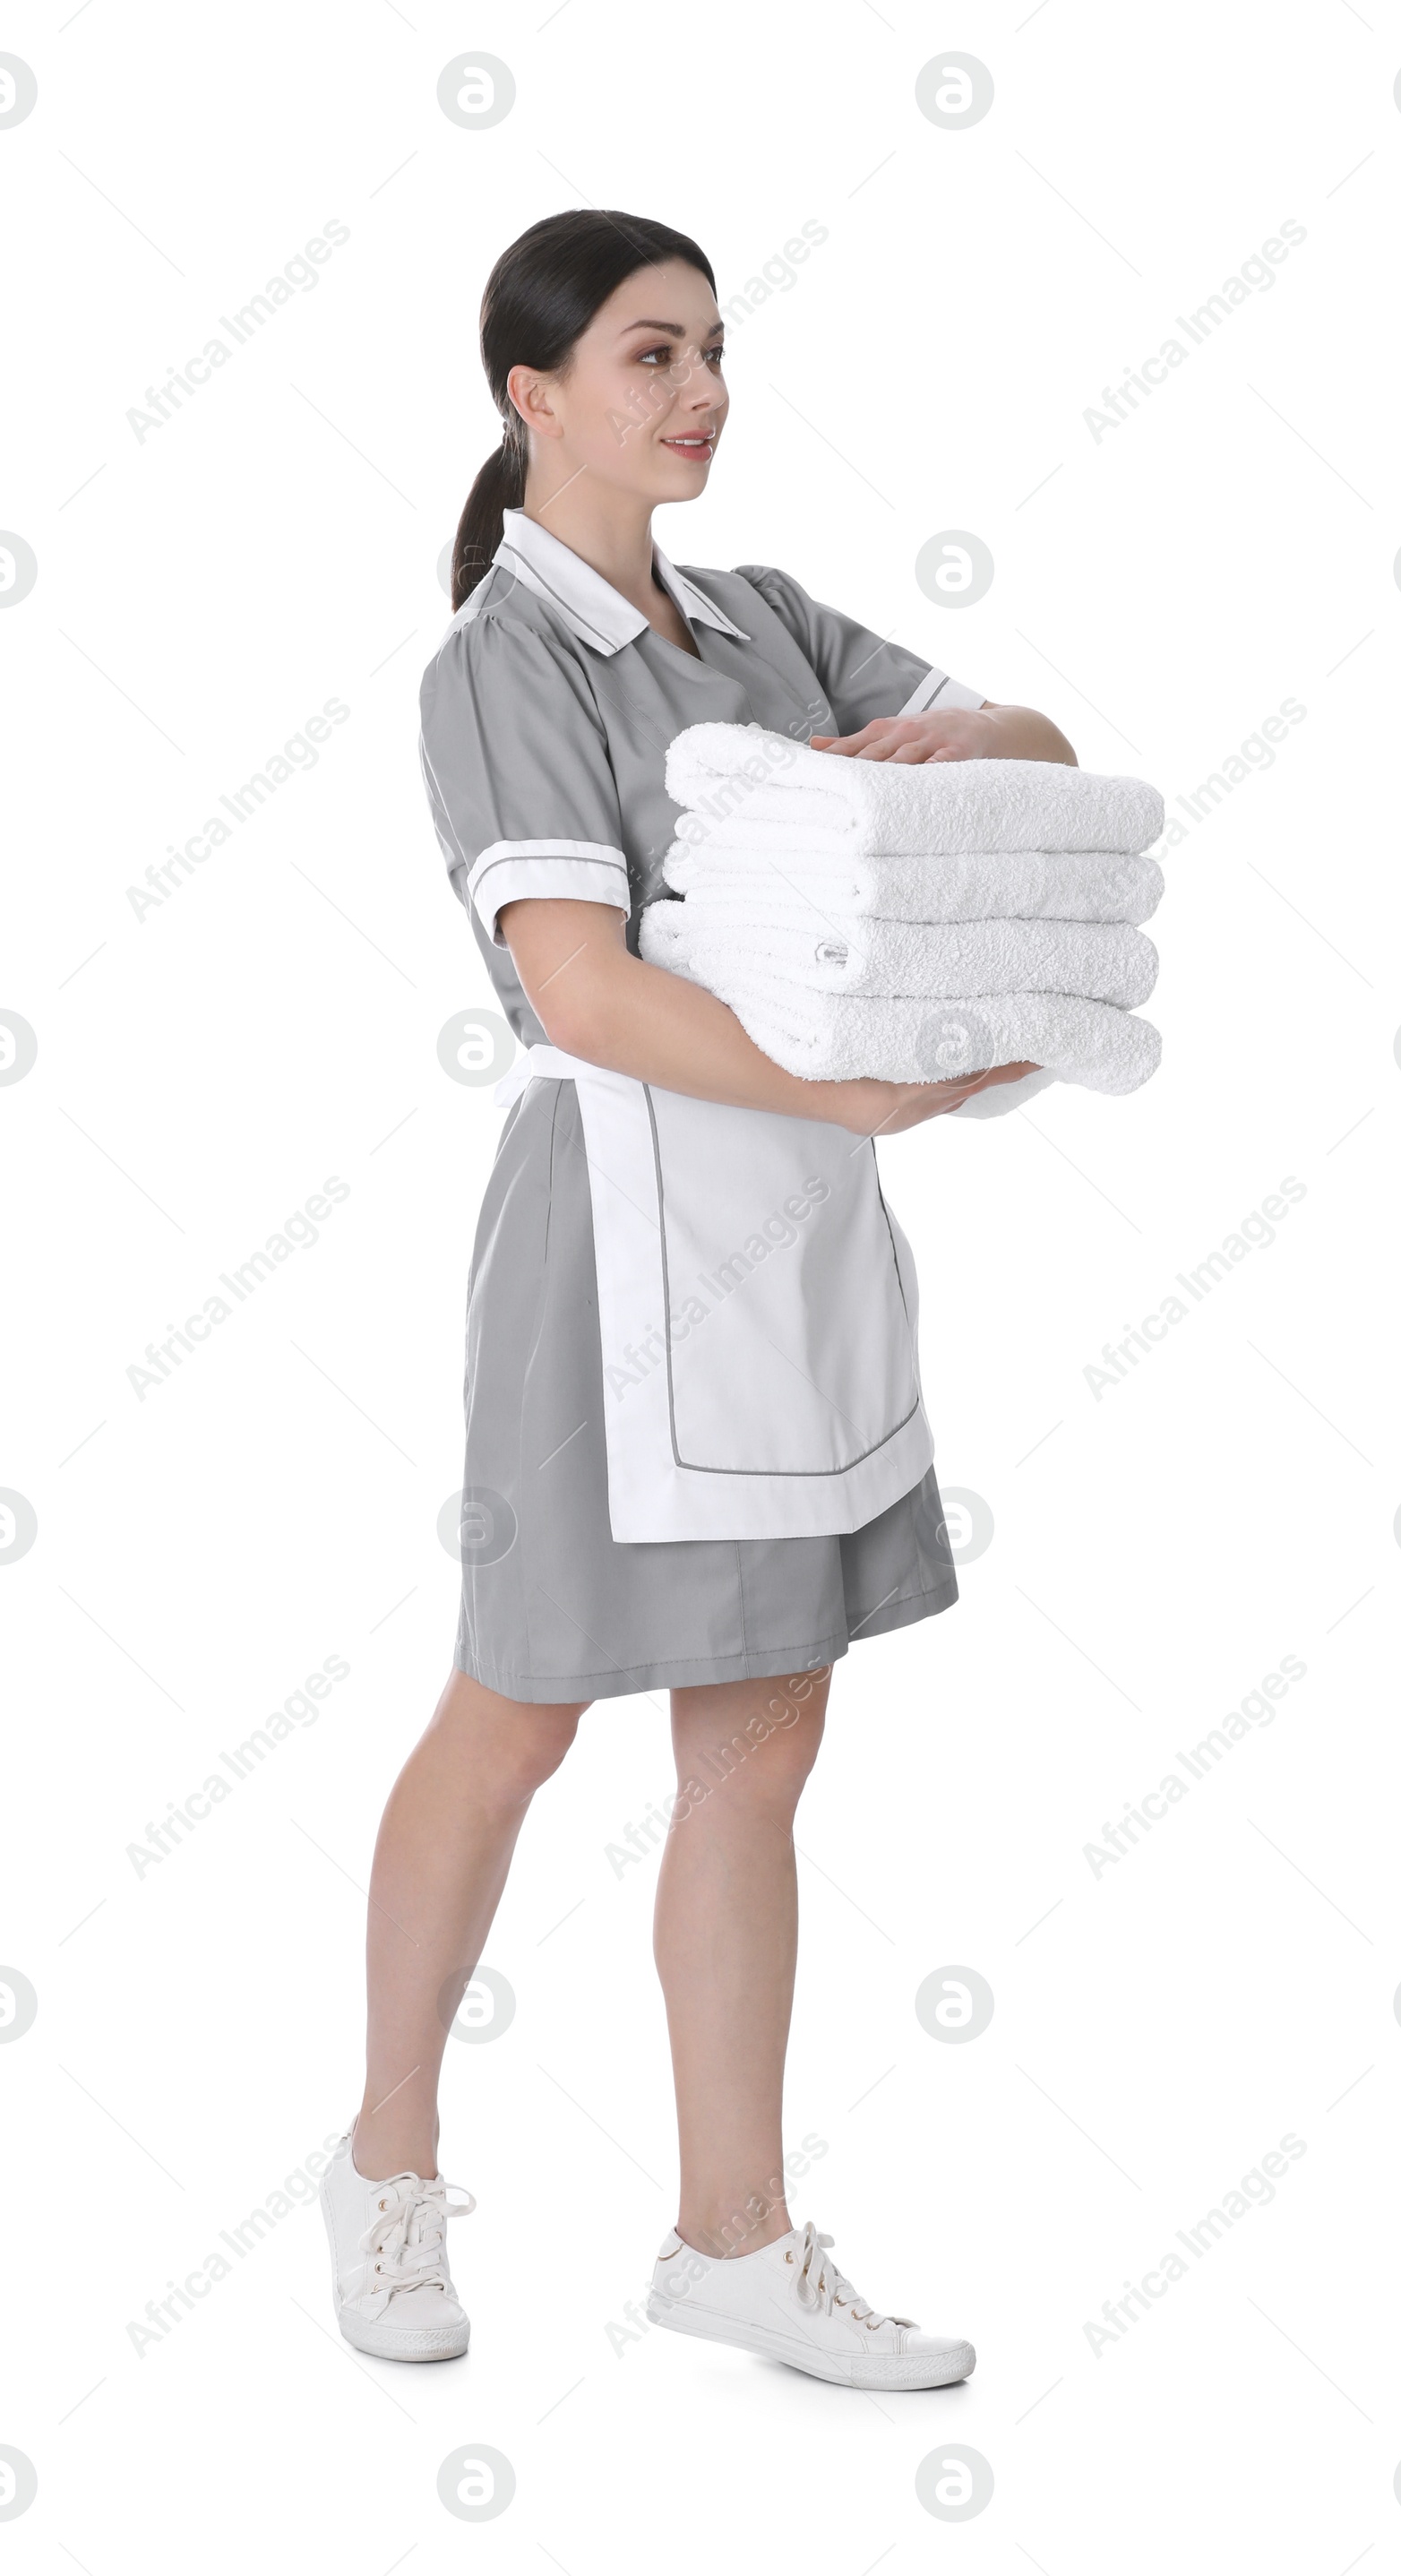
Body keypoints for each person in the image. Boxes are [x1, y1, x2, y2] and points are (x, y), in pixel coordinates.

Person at [321, 207, 1076, 2388]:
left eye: (716, 351)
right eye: (650, 355)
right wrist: (846, 1077)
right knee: (520, 1708)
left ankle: (730, 2240)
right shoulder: (506, 665)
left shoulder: (757, 614)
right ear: (530, 396)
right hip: (614, 1245)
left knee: (758, 1740)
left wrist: (932, 767)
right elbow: (577, 981)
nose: (700, 390)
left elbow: (1024, 740)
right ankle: (384, 2170)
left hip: (807, 1229)